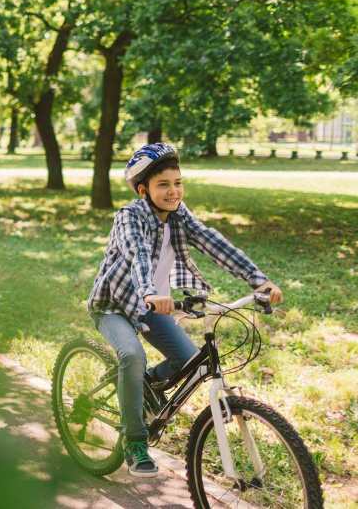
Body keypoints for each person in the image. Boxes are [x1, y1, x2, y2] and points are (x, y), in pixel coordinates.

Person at [87, 142, 283, 477]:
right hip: (115, 305)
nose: (173, 191)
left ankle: (141, 387)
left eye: (178, 183)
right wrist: (151, 292)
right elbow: (138, 256)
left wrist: (258, 280)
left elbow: (213, 242)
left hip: (151, 305)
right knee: (132, 356)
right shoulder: (128, 218)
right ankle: (135, 443)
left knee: (190, 362)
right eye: (163, 184)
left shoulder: (180, 215)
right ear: (142, 189)